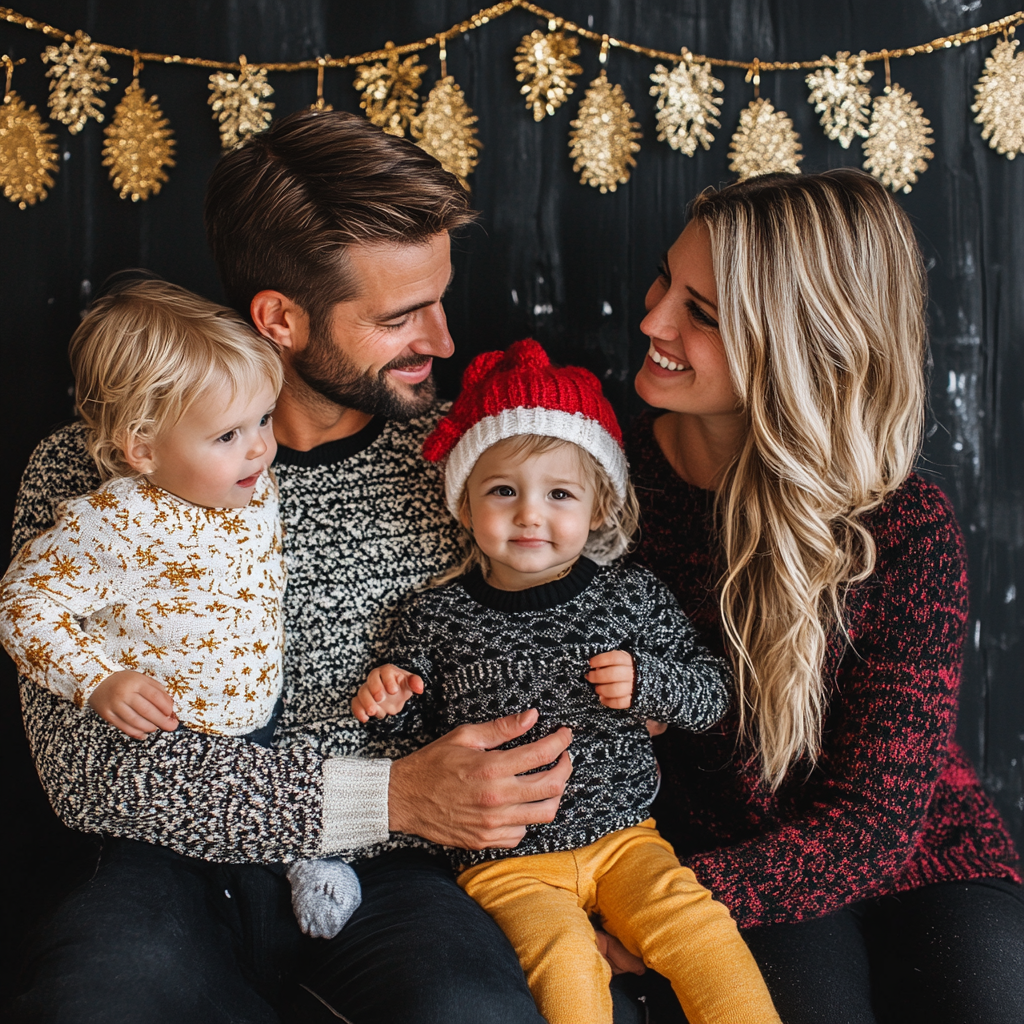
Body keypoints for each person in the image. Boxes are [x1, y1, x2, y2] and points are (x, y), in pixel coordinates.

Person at [7, 110, 605, 1024]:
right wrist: (390, 793)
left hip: (392, 873)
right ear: (280, 319)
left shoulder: (464, 469)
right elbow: (92, 772)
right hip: (160, 864)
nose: (443, 342)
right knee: (99, 1003)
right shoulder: (96, 470)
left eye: (440, 299)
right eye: (401, 315)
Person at [626, 168, 1024, 1024]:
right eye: (666, 280)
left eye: (701, 312)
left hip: (914, 849)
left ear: (801, 343)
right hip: (719, 849)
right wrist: (652, 899)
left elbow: (877, 819)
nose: (653, 319)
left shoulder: (904, 529)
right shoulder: (590, 482)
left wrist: (663, 903)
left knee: (993, 994)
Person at [330, 338, 782, 1024]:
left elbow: (713, 692)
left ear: (600, 506)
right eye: (502, 491)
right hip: (506, 863)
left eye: (559, 493)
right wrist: (386, 701)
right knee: (565, 961)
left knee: (698, 928)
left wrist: (651, 684)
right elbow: (412, 741)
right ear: (464, 503)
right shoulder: (434, 618)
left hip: (627, 838)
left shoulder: (630, 597)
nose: (530, 514)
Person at [0, 280, 363, 938]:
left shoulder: (252, 487)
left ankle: (300, 859)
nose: (258, 446)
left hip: (259, 715)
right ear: (142, 449)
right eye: (227, 434)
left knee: (274, 781)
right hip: (172, 737)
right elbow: (24, 604)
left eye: (262, 419)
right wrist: (96, 680)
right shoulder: (115, 522)